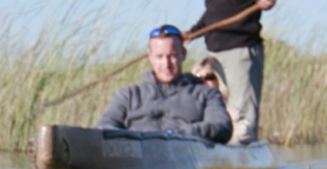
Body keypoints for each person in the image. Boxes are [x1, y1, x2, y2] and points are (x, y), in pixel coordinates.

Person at [194, 0, 275, 144]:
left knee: (242, 110)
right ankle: (219, 152)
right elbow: (211, 15)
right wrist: (189, 34)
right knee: (215, 104)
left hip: (241, 49)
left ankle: (245, 155)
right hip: (214, 51)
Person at [95, 25, 233, 142]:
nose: (166, 64)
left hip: (184, 154)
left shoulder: (206, 94)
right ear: (150, 57)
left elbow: (221, 126)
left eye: (172, 56)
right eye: (159, 57)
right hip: (136, 155)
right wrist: (132, 139)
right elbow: (103, 126)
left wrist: (180, 133)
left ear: (183, 54)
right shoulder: (128, 95)